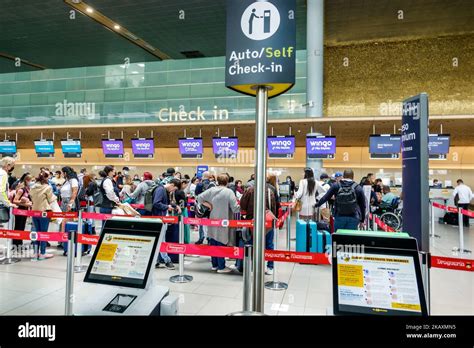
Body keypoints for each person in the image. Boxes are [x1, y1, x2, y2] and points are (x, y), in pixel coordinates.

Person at [197, 174, 240, 273]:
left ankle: (214, 265)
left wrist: (207, 204)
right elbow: (235, 208)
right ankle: (221, 267)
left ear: (217, 181)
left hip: (212, 219)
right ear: (227, 182)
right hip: (224, 220)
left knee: (213, 242)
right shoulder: (229, 192)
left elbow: (199, 197)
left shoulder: (211, 190)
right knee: (221, 242)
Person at [238, 177, 277, 274]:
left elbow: (242, 205)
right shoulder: (270, 191)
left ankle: (251, 265)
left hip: (252, 222)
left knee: (250, 243)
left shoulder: (249, 190)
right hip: (267, 221)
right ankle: (270, 267)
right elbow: (274, 207)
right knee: (269, 244)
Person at [152, 178, 181, 270]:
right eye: (174, 189)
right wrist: (166, 207)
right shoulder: (161, 190)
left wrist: (175, 206)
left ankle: (156, 261)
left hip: (161, 218)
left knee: (159, 240)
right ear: (171, 185)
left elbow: (166, 203)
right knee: (162, 240)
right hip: (159, 218)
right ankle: (167, 261)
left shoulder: (164, 190)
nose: (173, 191)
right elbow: (156, 203)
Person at [30, 172, 57, 260]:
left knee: (36, 232)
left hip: (34, 211)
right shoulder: (47, 187)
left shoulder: (32, 187)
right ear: (46, 179)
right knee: (44, 233)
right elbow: (51, 199)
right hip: (44, 212)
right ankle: (42, 253)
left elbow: (31, 197)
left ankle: (35, 253)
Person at [194, 171, 216, 244]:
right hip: (211, 206)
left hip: (202, 206)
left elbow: (196, 194)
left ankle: (201, 238)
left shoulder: (199, 184)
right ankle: (209, 239)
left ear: (203, 176)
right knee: (210, 223)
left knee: (201, 223)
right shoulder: (213, 185)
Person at [12, 173, 33, 246]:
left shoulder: (28, 189)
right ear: (27, 180)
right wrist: (25, 204)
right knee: (18, 226)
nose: (32, 182)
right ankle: (16, 243)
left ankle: (19, 243)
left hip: (25, 210)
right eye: (31, 180)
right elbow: (15, 201)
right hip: (20, 210)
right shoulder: (21, 190)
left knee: (22, 227)